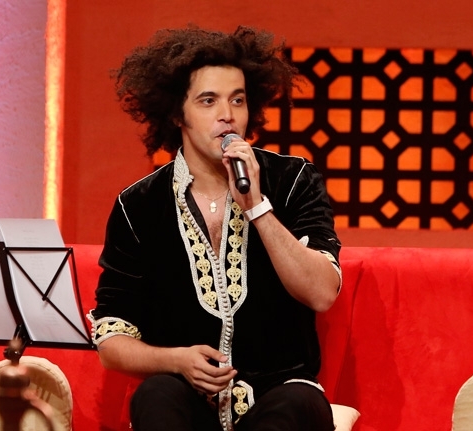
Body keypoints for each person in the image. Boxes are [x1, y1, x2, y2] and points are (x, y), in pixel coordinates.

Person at [88, 25, 342, 431]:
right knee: (156, 394)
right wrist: (175, 360)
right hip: (189, 398)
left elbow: (322, 292)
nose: (228, 115)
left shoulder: (293, 180)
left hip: (279, 395)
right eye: (209, 101)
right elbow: (111, 339)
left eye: (237, 100)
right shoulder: (138, 205)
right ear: (177, 113)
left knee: (296, 402)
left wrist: (257, 207)